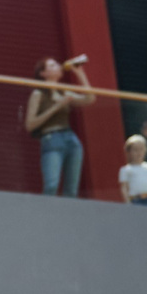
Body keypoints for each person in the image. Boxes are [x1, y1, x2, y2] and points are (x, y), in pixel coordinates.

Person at [25, 57, 93, 196]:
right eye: (52, 65)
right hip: (51, 138)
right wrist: (56, 107)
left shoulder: (64, 92)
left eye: (56, 64)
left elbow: (89, 99)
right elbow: (30, 124)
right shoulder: (39, 94)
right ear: (43, 73)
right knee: (51, 185)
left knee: (71, 189)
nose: (57, 66)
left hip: (70, 139)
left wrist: (80, 73)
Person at [118, 134, 147, 206]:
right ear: (129, 152)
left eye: (141, 149)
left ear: (145, 150)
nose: (139, 153)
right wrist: (127, 202)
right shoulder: (125, 170)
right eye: (135, 150)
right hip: (136, 200)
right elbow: (124, 187)